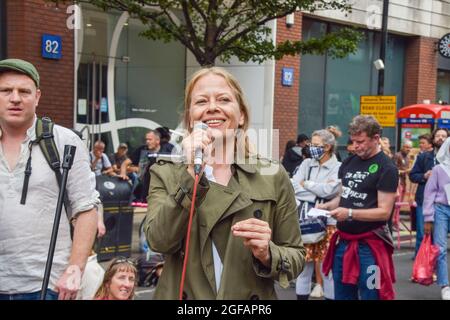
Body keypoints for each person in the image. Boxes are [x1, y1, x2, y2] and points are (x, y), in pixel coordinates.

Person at [144, 67, 306, 299]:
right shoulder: (166, 173)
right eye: (201, 101)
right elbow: (159, 241)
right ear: (190, 117)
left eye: (223, 99)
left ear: (240, 115)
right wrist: (191, 172)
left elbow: (296, 257)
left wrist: (267, 252)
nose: (212, 107)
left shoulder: (272, 174)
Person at [0, 58, 100, 300]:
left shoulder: (64, 141)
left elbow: (86, 209)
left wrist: (75, 268)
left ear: (37, 97)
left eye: (24, 91)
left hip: (49, 286)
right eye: (6, 91)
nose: (15, 98)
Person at [319, 115, 398, 300]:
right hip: (343, 244)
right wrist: (326, 206)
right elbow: (345, 196)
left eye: (361, 142)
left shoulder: (387, 168)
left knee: (373, 294)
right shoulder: (348, 162)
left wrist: (350, 214)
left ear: (376, 138)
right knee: (343, 295)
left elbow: (384, 211)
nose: (356, 146)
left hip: (372, 247)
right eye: (353, 141)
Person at [291, 126, 342, 300]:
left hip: (329, 223)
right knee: (303, 268)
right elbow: (293, 185)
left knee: (327, 270)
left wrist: (307, 185)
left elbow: (331, 190)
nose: (310, 147)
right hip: (305, 221)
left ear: (327, 147)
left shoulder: (338, 166)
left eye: (315, 144)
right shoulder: (306, 163)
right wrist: (317, 192)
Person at [409, 128, 448, 257]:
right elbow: (413, 175)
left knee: (439, 238)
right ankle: (420, 269)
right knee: (423, 232)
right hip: (424, 199)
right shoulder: (424, 156)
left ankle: (435, 266)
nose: (440, 138)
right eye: (438, 136)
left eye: (444, 136)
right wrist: (424, 176)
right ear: (433, 138)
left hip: (444, 201)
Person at [422, 137, 450, 300]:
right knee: (440, 249)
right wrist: (428, 217)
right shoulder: (439, 169)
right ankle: (445, 285)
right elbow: (429, 193)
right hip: (441, 210)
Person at [130, 130, 162, 203]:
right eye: (146, 139)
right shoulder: (142, 149)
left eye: (150, 139)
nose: (147, 141)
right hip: (141, 187)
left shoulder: (165, 151)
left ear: (157, 140)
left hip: (157, 189)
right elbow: (126, 163)